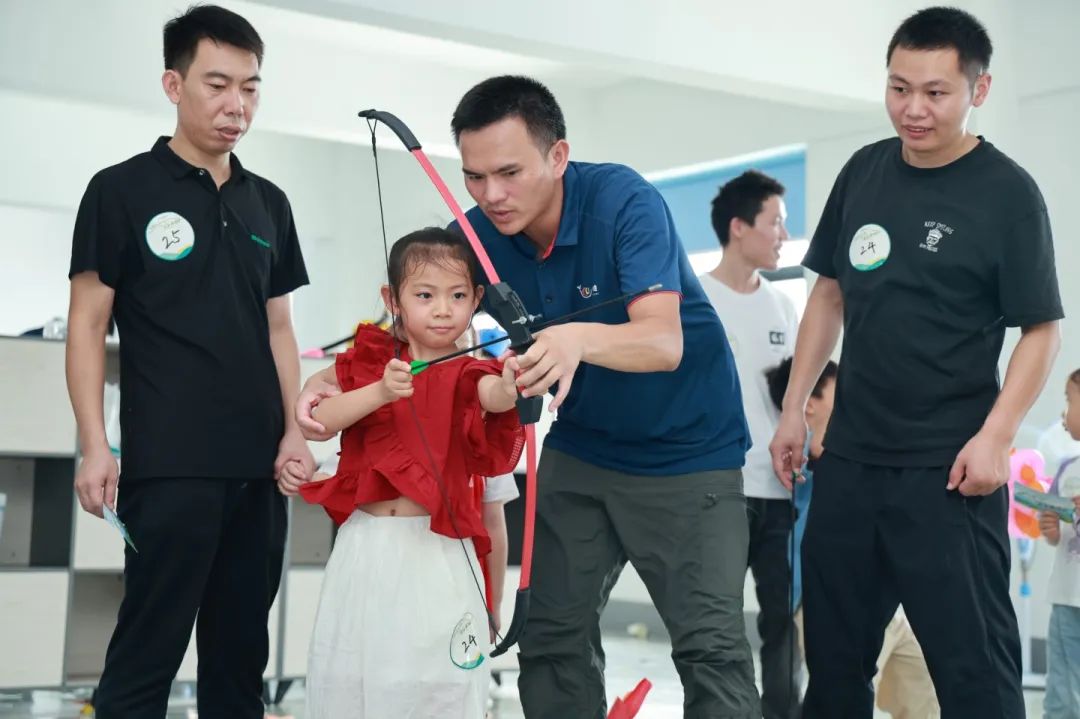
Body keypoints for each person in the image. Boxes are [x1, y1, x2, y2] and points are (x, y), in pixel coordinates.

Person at [298, 75, 759, 718]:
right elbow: (411, 312)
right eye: (475, 176)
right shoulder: (481, 234)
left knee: (711, 649)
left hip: (688, 453)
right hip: (581, 447)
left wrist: (572, 339)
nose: (491, 195)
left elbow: (662, 342)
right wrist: (325, 381)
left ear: (557, 157)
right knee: (549, 637)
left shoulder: (623, 202)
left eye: (509, 172)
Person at [769, 7, 1063, 718]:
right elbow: (829, 294)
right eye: (899, 88)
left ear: (978, 90)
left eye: (935, 92)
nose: (914, 109)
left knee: (977, 678)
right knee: (834, 673)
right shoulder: (865, 171)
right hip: (850, 463)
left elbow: (1042, 330)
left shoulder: (1007, 194)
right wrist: (792, 411)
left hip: (949, 472)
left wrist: (997, 435)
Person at [64, 6, 312, 717]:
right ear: (173, 84)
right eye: (218, 85)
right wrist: (93, 444)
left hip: (259, 467)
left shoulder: (270, 203)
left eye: (252, 88)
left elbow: (280, 328)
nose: (237, 105)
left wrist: (294, 430)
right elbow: (87, 324)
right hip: (169, 462)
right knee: (147, 652)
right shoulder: (120, 190)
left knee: (240, 661)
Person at [295, 228, 524, 719]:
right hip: (368, 550)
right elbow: (320, 423)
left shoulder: (472, 372)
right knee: (353, 678)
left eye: (458, 295)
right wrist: (379, 391)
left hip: (440, 553)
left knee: (435, 687)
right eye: (424, 295)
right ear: (392, 299)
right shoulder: (369, 364)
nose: (442, 309)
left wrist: (510, 382)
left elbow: (494, 398)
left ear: (477, 300)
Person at [766, 358, 940, 719]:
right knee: (843, 691)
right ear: (809, 403)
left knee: (924, 689)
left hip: (888, 595)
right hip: (832, 595)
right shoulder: (807, 460)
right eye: (838, 386)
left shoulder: (864, 448)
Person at [700, 169, 801, 718]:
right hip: (719, 491)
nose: (783, 235)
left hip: (780, 489)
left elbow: (797, 396)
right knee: (714, 625)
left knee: (783, 622)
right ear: (740, 227)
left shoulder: (784, 307)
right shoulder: (697, 301)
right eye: (776, 223)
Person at [1038, 368, 1080, 718]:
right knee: (1062, 689)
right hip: (1068, 598)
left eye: (1070, 400)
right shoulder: (1068, 469)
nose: (1065, 411)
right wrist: (1051, 530)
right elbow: (1059, 534)